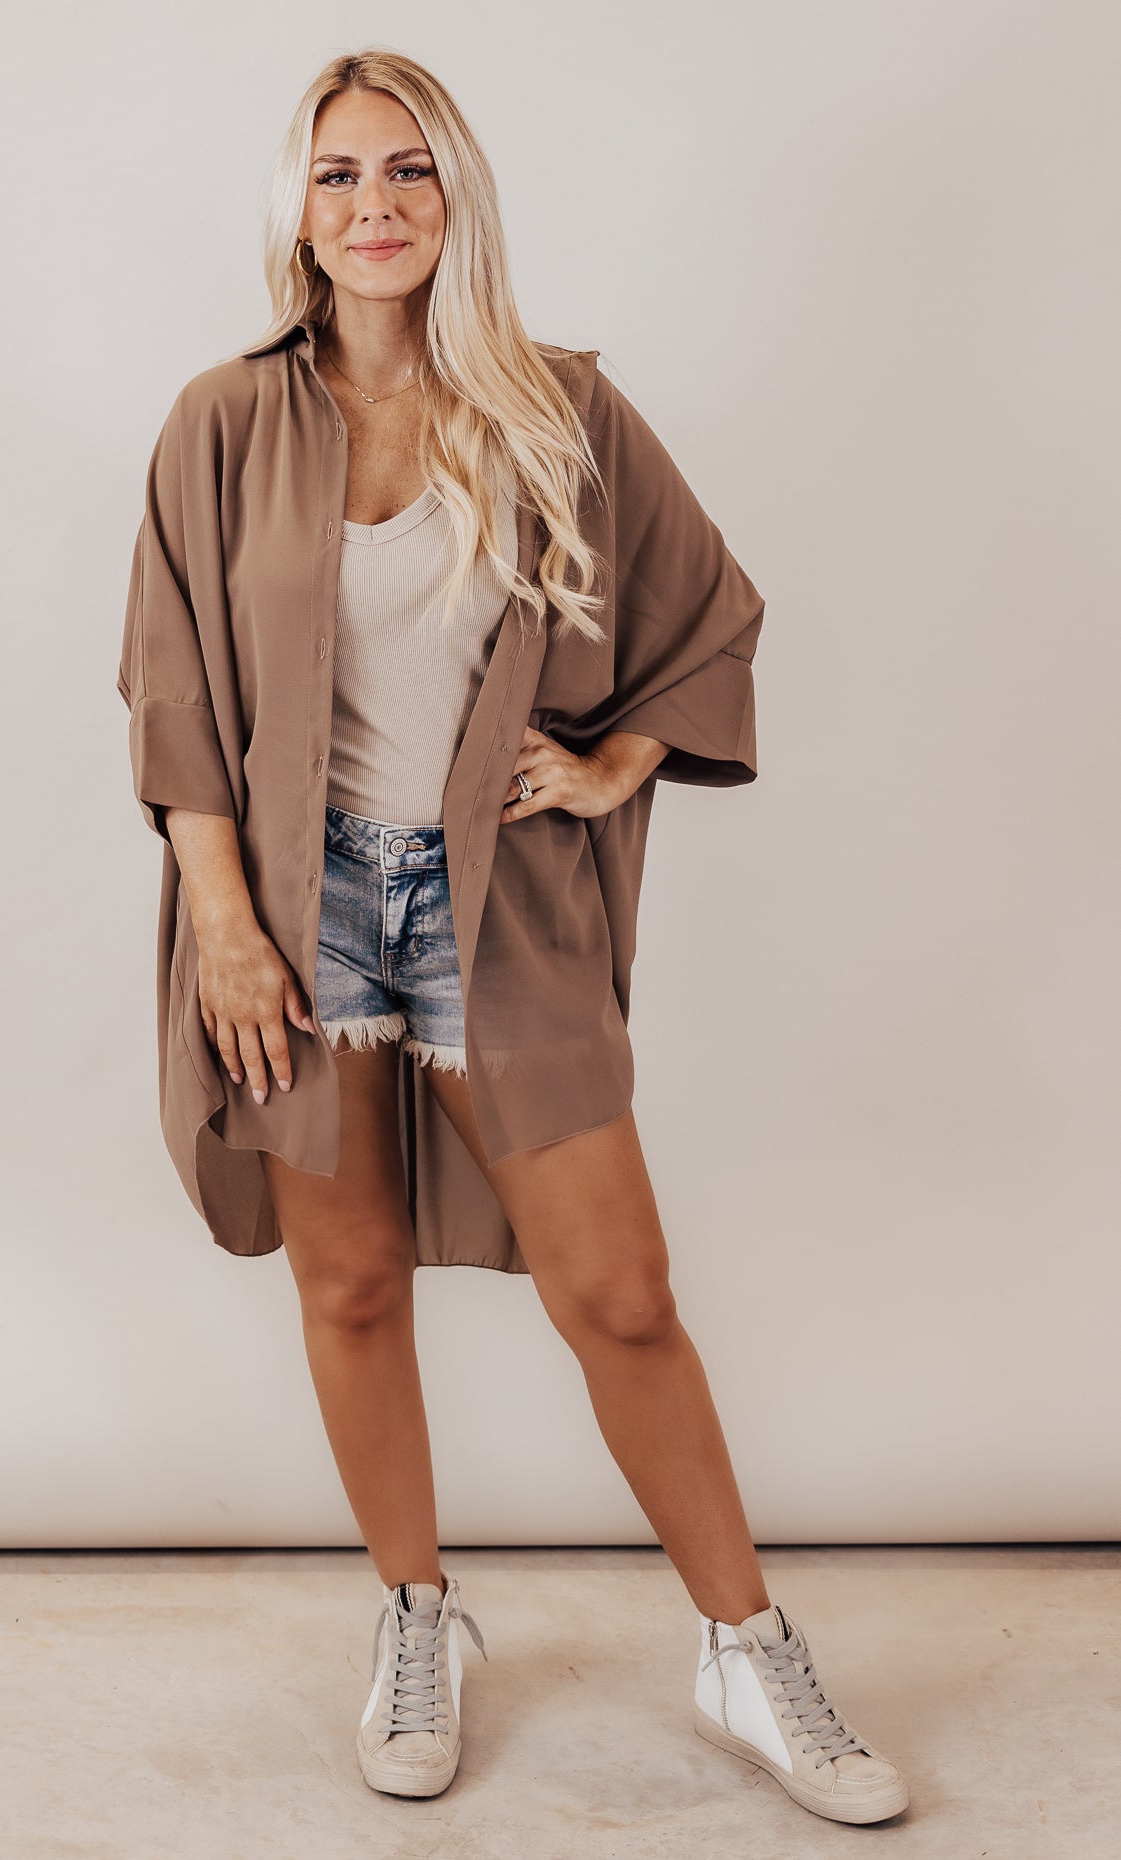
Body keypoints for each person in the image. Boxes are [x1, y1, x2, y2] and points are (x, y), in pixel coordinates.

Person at [117, 45, 909, 1829]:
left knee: (619, 1295)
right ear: (297, 209)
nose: (374, 206)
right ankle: (417, 1614)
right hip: (294, 907)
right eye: (339, 175)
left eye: (407, 170)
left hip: (496, 903)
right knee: (350, 1280)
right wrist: (224, 920)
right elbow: (171, 691)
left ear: (455, 195)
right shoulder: (223, 421)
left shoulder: (561, 411)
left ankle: (748, 1648)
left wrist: (619, 757)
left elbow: (711, 614)